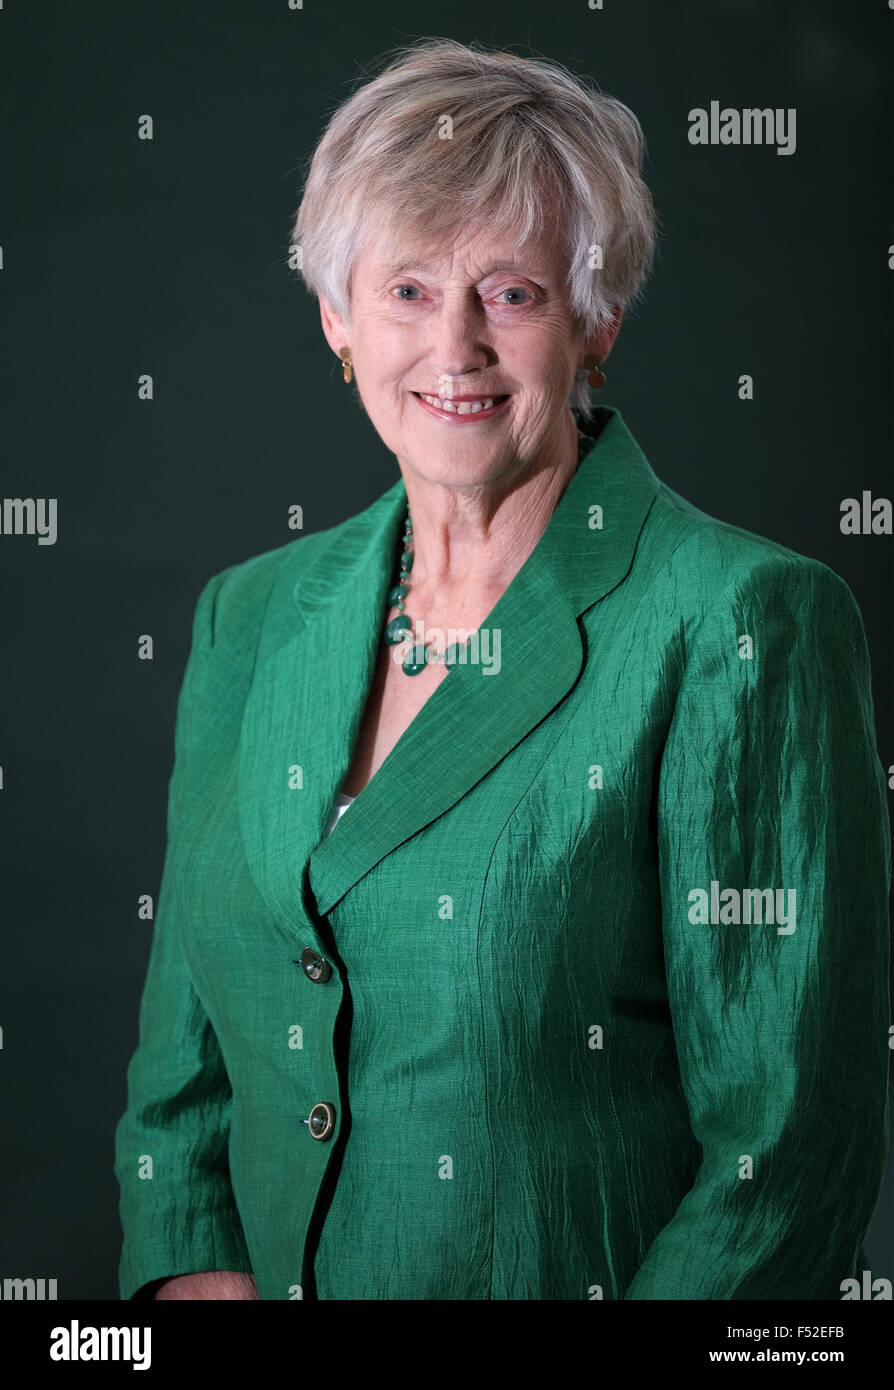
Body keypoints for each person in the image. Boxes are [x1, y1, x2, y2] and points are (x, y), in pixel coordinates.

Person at [114, 38, 890, 1301]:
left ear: (597, 320)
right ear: (337, 319)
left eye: (513, 293)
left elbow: (789, 1154)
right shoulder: (245, 620)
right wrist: (191, 1276)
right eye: (408, 289)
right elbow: (185, 1075)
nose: (456, 346)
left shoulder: (743, 623)